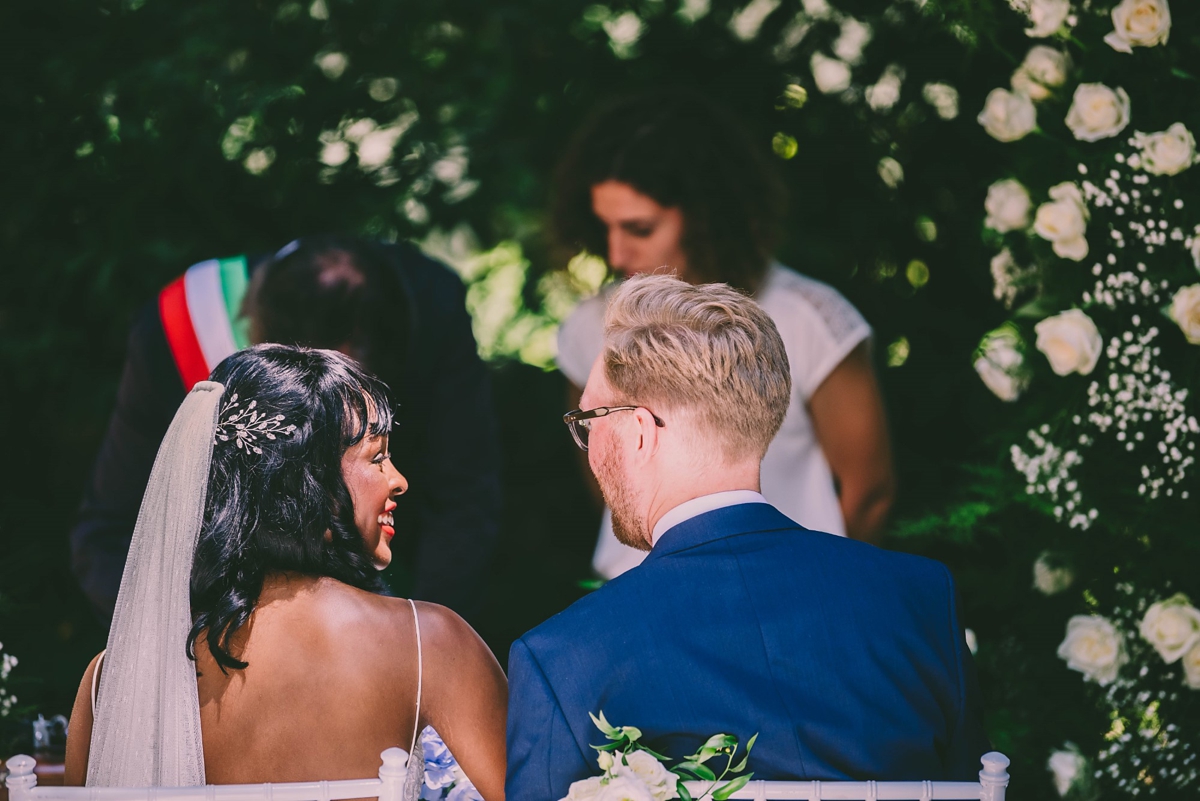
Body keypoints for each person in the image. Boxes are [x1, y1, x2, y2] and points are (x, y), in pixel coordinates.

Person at [506, 276, 989, 800]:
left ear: (639, 432)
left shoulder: (563, 658)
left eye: (589, 419)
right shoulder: (919, 598)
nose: (588, 446)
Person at [64, 345, 507, 801]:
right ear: (309, 480)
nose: (398, 479)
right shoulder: (428, 643)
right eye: (377, 457)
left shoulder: (111, 682)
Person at [553, 89, 895, 579]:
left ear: (706, 218)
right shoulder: (590, 327)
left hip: (791, 593)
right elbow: (604, 474)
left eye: (640, 228)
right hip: (645, 597)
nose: (615, 254)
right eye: (604, 227)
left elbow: (869, 490)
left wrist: (827, 593)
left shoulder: (808, 318)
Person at [70, 236, 500, 623]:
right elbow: (109, 533)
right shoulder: (177, 330)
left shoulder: (433, 309)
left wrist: (417, 645)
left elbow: (465, 501)